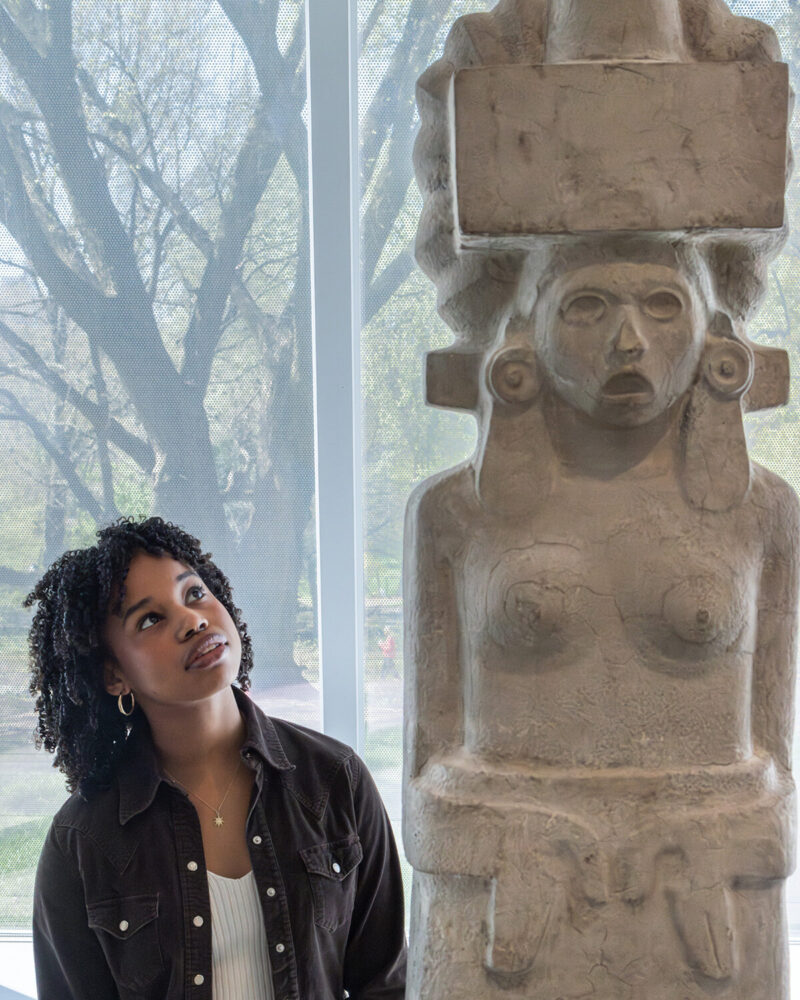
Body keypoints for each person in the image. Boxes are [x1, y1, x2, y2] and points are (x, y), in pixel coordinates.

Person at [28, 516, 406, 1000]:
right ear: (113, 675)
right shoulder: (82, 843)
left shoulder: (335, 780)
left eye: (194, 594)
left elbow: (386, 982)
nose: (193, 620)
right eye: (150, 619)